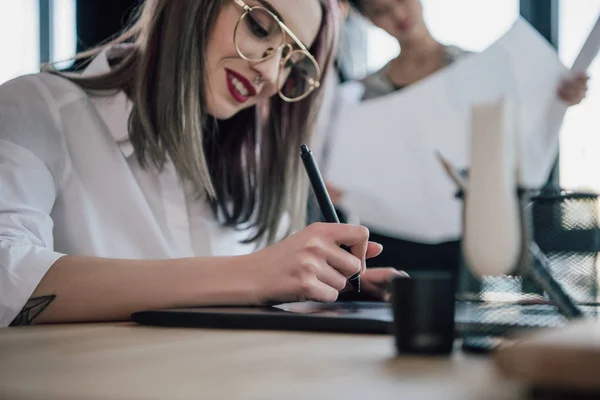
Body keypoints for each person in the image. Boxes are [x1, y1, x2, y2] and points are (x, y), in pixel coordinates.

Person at [0, 0, 406, 328]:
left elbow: (267, 281)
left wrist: (313, 286)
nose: (268, 71)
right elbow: (7, 279)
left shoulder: (247, 166)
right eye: (260, 27)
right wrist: (252, 275)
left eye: (290, 62)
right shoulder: (36, 108)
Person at [326, 0, 589, 272]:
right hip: (393, 234)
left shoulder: (480, 71)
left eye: (401, 0)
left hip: (470, 230)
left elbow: (517, 130)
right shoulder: (364, 95)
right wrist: (344, 188)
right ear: (369, 20)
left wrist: (557, 98)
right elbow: (361, 162)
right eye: (381, 11)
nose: (398, 15)